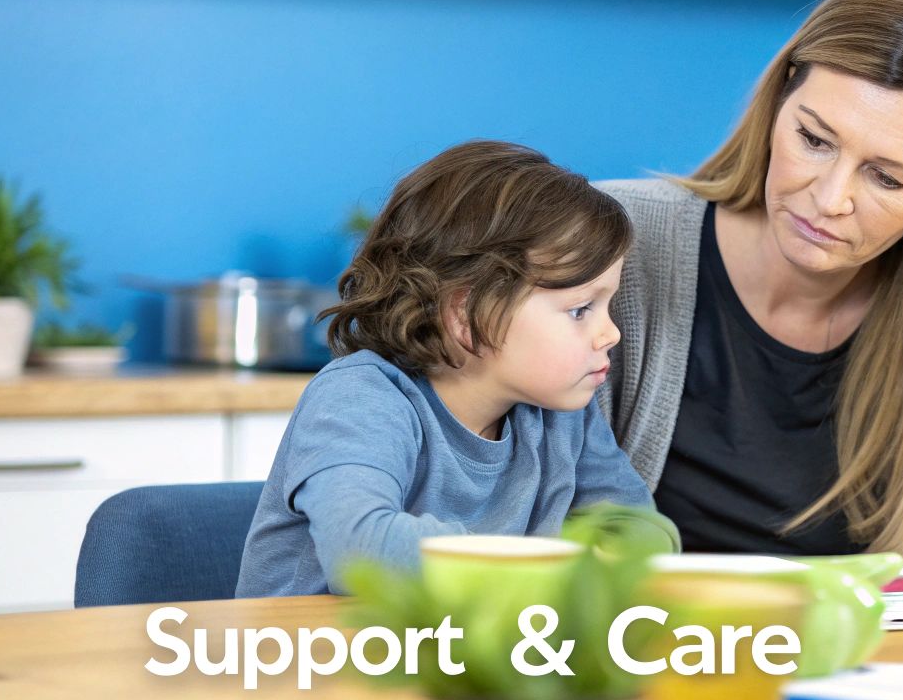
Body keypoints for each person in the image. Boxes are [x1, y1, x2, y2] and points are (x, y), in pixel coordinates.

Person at [601, 0, 903, 562]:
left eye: (888, 178)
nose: (829, 198)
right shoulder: (611, 251)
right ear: (779, 103)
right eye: (814, 140)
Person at [237, 140, 653, 597]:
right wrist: (556, 571)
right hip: (313, 659)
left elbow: (642, 535)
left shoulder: (564, 412)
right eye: (580, 310)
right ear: (466, 316)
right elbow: (361, 551)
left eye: (606, 304)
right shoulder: (362, 398)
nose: (610, 333)